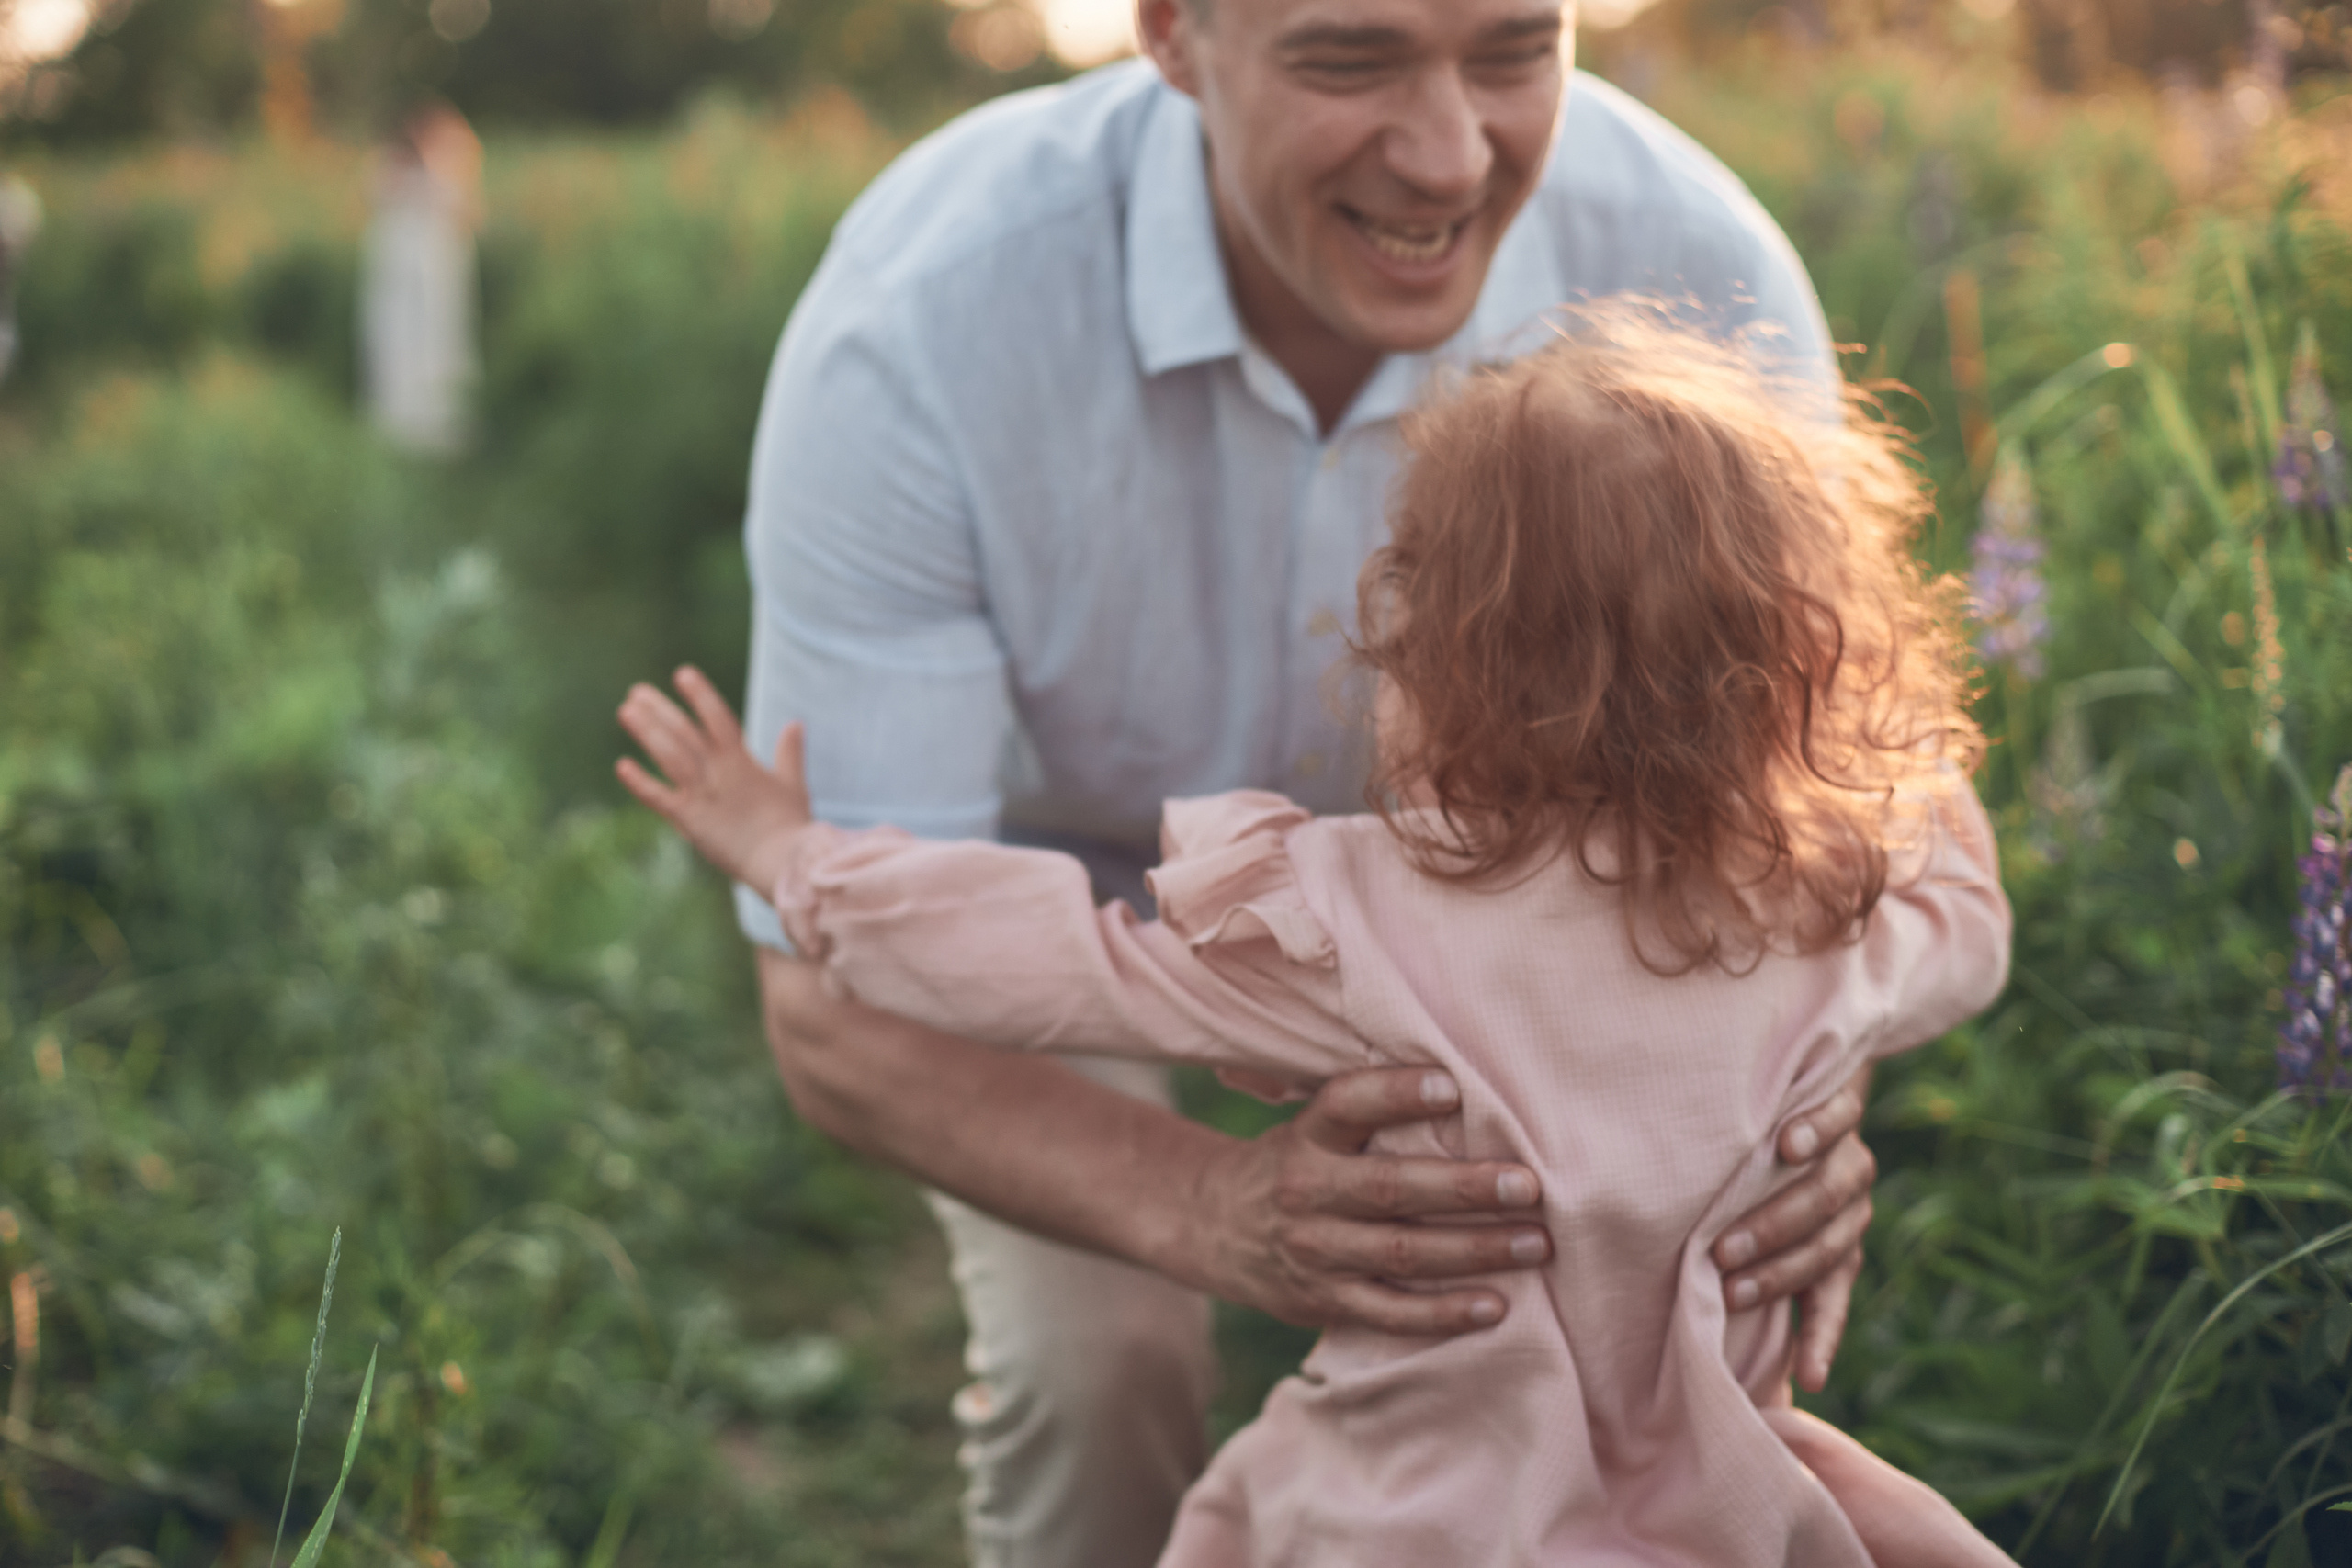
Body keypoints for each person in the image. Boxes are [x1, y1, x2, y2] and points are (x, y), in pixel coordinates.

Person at [729, 2, 1881, 1562]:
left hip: (1539, 946)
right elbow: (830, 1004)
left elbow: (1834, 803)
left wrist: (1803, 1092)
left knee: (1691, 1371)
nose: (1450, 153)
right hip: (1051, 912)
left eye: (1511, 50)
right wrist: (1216, 1210)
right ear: (1171, 35)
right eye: (1351, 60)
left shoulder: (1701, 280)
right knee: (1105, 1355)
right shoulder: (926, 317)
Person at [617, 316, 2017, 1567]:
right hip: (1723, 1520)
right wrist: (1895, 748)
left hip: (1405, 1516)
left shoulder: (1361, 923)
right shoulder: (1825, 930)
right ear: (1784, 666)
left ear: (1447, 664)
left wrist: (799, 863)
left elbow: (1057, 957)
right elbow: (1969, 919)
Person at [360, 102, 481, 455]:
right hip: (397, 273)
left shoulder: (453, 161)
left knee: (442, 343)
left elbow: (469, 212)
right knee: (396, 345)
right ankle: (397, 430)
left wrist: (435, 164)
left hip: (438, 271)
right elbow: (372, 200)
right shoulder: (388, 164)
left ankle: (441, 431)